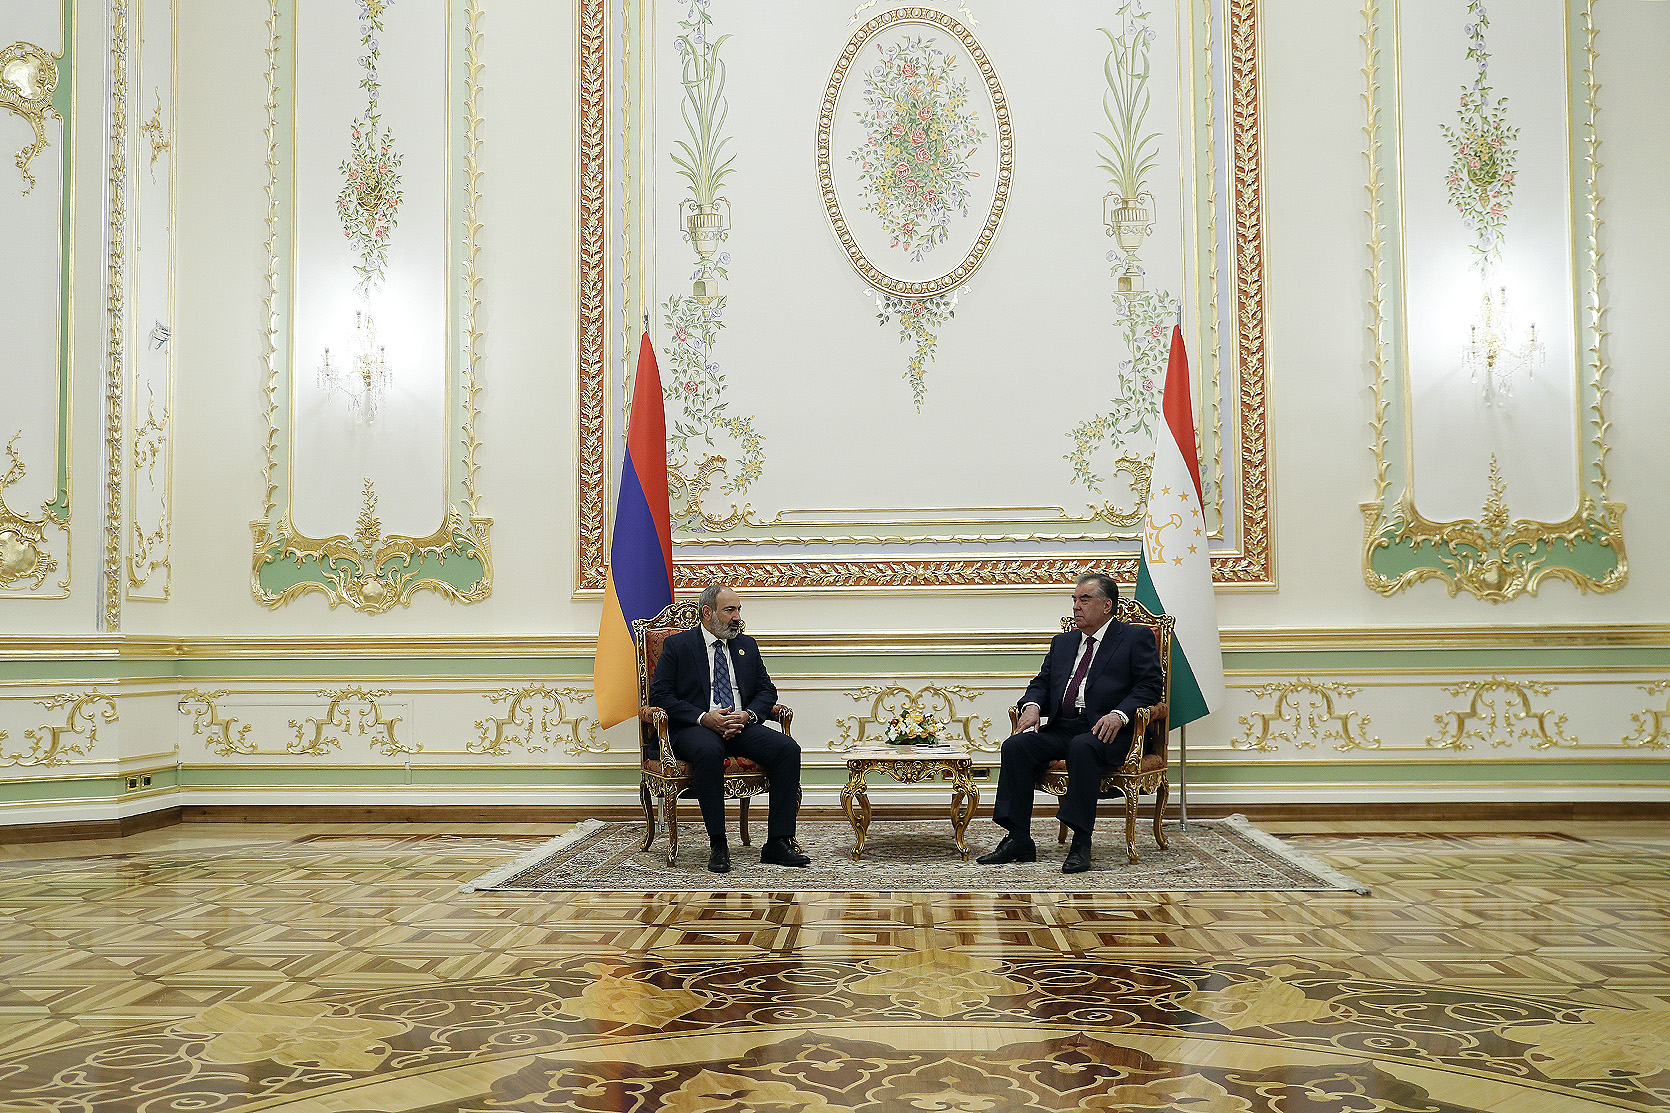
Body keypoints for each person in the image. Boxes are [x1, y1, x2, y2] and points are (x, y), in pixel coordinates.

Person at [977, 572, 1165, 874]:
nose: (1076, 606)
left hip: (1108, 730)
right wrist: (1033, 706)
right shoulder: (1063, 642)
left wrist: (1119, 714)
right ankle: (1018, 838)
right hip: (1064, 726)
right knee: (1016, 746)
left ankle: (1081, 842)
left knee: (1082, 747)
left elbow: (1149, 687)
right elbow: (1042, 682)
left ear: (1107, 605)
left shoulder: (1133, 638)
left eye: (1084, 599)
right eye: (1074, 600)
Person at [647, 582, 810, 874]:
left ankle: (778, 842)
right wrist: (704, 717)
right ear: (707, 613)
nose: (737, 617)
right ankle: (719, 844)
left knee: (787, 749)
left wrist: (747, 715)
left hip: (739, 725)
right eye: (730, 610)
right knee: (709, 751)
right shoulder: (679, 646)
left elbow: (766, 691)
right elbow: (660, 696)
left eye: (738, 610)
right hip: (695, 727)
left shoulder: (746, 645)